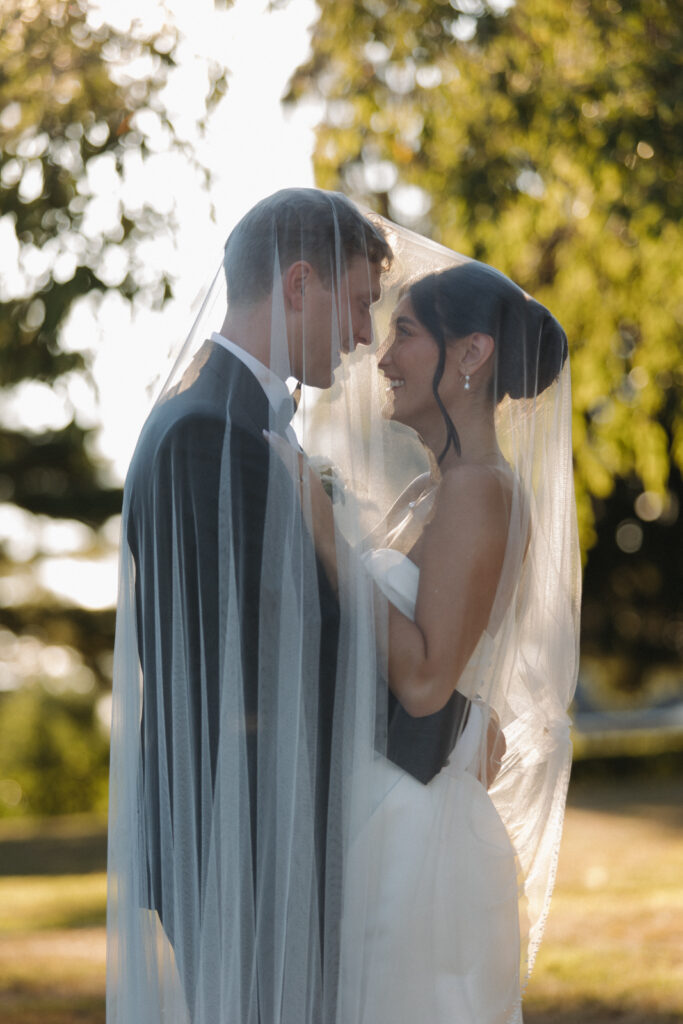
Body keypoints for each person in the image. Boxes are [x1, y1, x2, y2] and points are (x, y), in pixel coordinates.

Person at [269, 256, 580, 1024]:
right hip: (384, 804)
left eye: (404, 332)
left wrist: (322, 524)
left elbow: (423, 681)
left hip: (417, 834)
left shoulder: (482, 492)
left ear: (470, 354)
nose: (381, 357)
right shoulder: (431, 490)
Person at [106, 188, 392, 1024]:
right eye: (360, 303)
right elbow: (269, 655)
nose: (367, 336)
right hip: (244, 836)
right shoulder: (208, 433)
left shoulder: (233, 415)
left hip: (260, 826)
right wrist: (434, 715)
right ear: (298, 283)